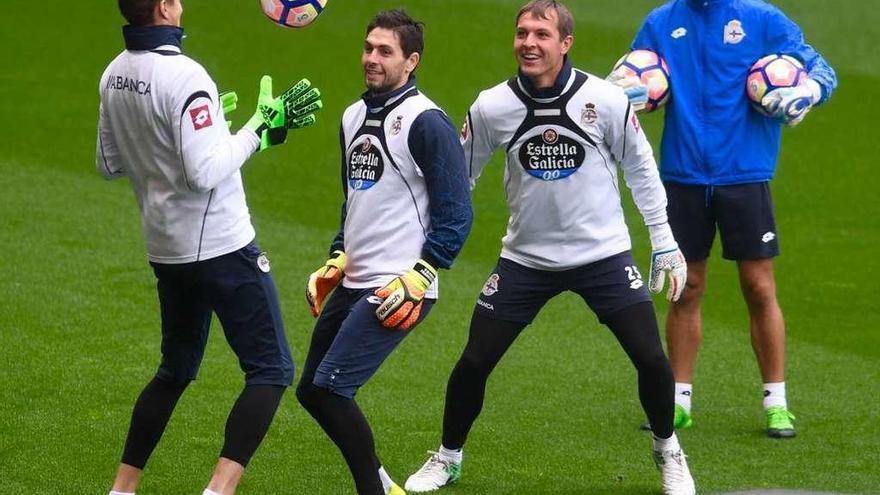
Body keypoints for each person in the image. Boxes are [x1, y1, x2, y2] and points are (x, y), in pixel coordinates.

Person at [405, 2, 694, 494]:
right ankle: (448, 457)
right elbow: (459, 180)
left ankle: (669, 452)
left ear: (566, 43)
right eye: (522, 33)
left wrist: (663, 242)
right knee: (474, 362)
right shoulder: (492, 106)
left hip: (602, 256)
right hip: (526, 260)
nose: (529, 43)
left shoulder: (604, 100)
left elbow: (641, 169)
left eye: (541, 33)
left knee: (650, 359)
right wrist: (417, 252)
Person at [97, 1, 322, 494]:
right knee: (271, 370)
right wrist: (256, 130)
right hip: (221, 246)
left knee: (174, 370)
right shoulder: (186, 75)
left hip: (165, 249)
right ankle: (217, 490)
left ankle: (121, 489)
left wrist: (207, 128)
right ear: (163, 7)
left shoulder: (113, 74)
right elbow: (203, 173)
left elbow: (109, 162)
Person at [609, 0, 837, 438]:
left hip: (746, 175)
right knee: (686, 286)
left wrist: (808, 91)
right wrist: (619, 94)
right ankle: (677, 402)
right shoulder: (661, 22)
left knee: (758, 286)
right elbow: (632, 76)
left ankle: (776, 403)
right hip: (684, 175)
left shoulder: (763, 19)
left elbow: (822, 69)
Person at [295, 9, 473, 495]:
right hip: (357, 281)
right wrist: (338, 256)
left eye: (385, 51)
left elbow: (458, 214)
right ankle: (385, 486)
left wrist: (421, 274)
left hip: (399, 287)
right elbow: (356, 201)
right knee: (311, 390)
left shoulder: (425, 122)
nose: (372, 58)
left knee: (333, 388)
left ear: (411, 61)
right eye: (368, 48)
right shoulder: (352, 116)